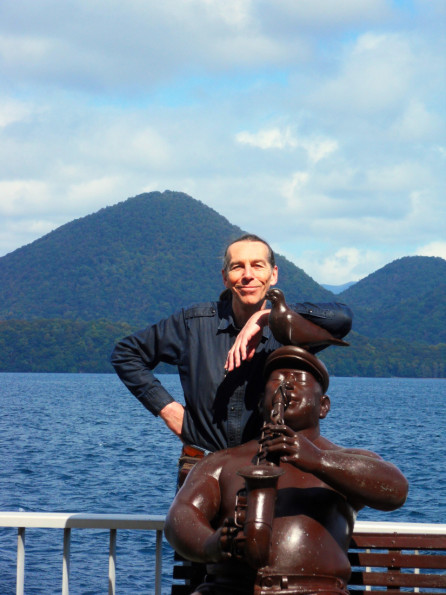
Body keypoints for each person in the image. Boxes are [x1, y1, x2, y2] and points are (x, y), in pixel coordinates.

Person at [164, 346, 409, 595]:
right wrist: (212, 544)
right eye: (278, 379)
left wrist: (319, 460)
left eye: (300, 379)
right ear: (261, 402)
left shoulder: (344, 460)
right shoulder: (221, 462)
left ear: (323, 406)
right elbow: (180, 517)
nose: (288, 385)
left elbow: (396, 489)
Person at [111, 234, 353, 456]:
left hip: (269, 471)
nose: (248, 274)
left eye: (258, 265)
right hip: (203, 468)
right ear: (225, 277)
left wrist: (265, 317)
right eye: (238, 266)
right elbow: (126, 353)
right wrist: (167, 409)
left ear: (274, 274)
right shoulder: (194, 324)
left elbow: (342, 318)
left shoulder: (291, 330)